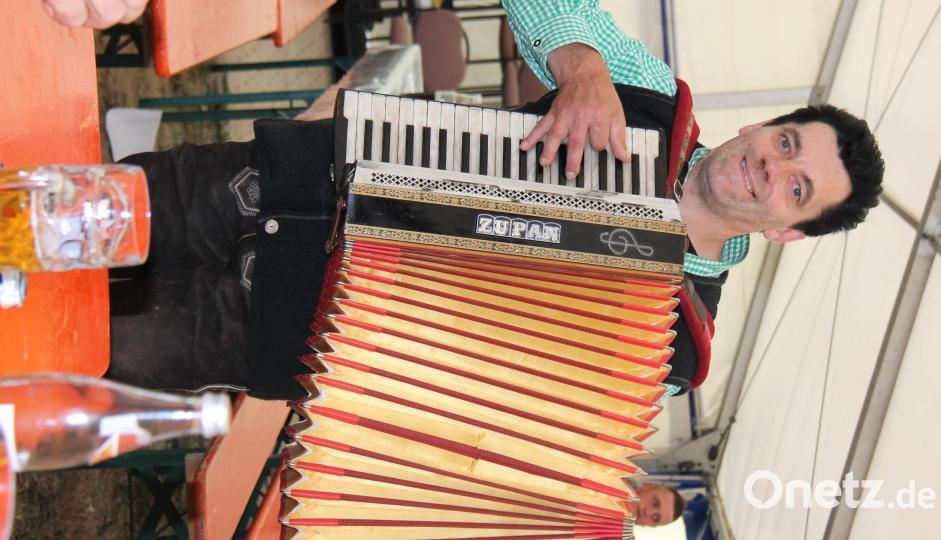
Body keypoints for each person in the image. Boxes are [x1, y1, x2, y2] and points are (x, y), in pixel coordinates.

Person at [42, 0, 883, 400]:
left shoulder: (674, 340)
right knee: (66, 214)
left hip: (295, 324)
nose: (768, 170)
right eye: (785, 143)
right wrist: (583, 63)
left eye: (796, 188)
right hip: (294, 181)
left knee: (74, 356)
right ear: (769, 124)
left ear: (787, 235)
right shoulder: (657, 98)